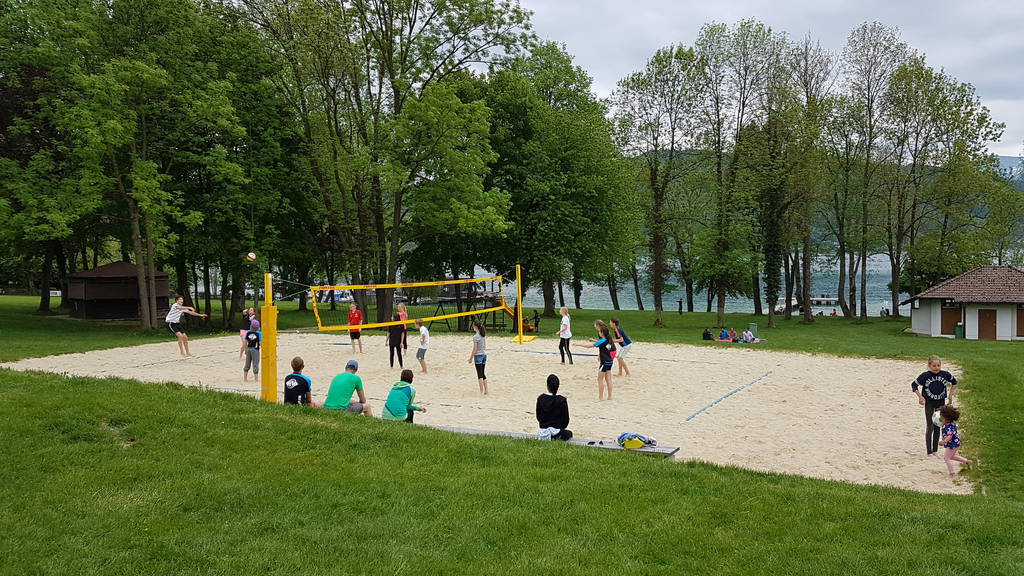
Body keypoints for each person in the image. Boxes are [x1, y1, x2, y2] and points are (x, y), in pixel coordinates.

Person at [912, 355, 957, 455]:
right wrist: (920, 397)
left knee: (937, 425)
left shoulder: (945, 374)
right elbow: (914, 385)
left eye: (938, 365)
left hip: (940, 403)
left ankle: (935, 450)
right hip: (929, 403)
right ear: (929, 366)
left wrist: (950, 395)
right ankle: (929, 451)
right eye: (934, 366)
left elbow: (954, 382)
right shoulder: (925, 376)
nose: (936, 368)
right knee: (930, 426)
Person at [577, 320, 613, 400]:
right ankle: (610, 396)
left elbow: (589, 346)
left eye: (600, 332)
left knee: (600, 379)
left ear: (602, 333)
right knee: (608, 379)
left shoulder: (602, 340)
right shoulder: (608, 339)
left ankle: (601, 397)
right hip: (610, 361)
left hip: (604, 362)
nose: (599, 333)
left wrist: (578, 344)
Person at [536, 374, 572, 441]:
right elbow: (566, 420)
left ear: (547, 386)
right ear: (558, 386)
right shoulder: (562, 400)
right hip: (557, 431)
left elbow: (538, 417)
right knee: (569, 433)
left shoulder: (540, 399)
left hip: (543, 432)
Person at [938, 405, 971, 476]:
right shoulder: (950, 424)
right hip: (955, 443)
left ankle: (952, 473)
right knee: (952, 456)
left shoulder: (949, 427)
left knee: (946, 458)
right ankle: (967, 461)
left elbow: (950, 436)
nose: (940, 419)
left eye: (942, 418)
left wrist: (944, 442)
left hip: (952, 444)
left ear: (946, 418)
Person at [468, 322, 488, 395]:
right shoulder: (483, 335)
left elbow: (475, 349)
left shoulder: (475, 337)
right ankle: (486, 390)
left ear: (476, 327)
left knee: (479, 374)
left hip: (478, 356)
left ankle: (481, 391)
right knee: (482, 373)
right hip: (484, 355)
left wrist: (470, 358)